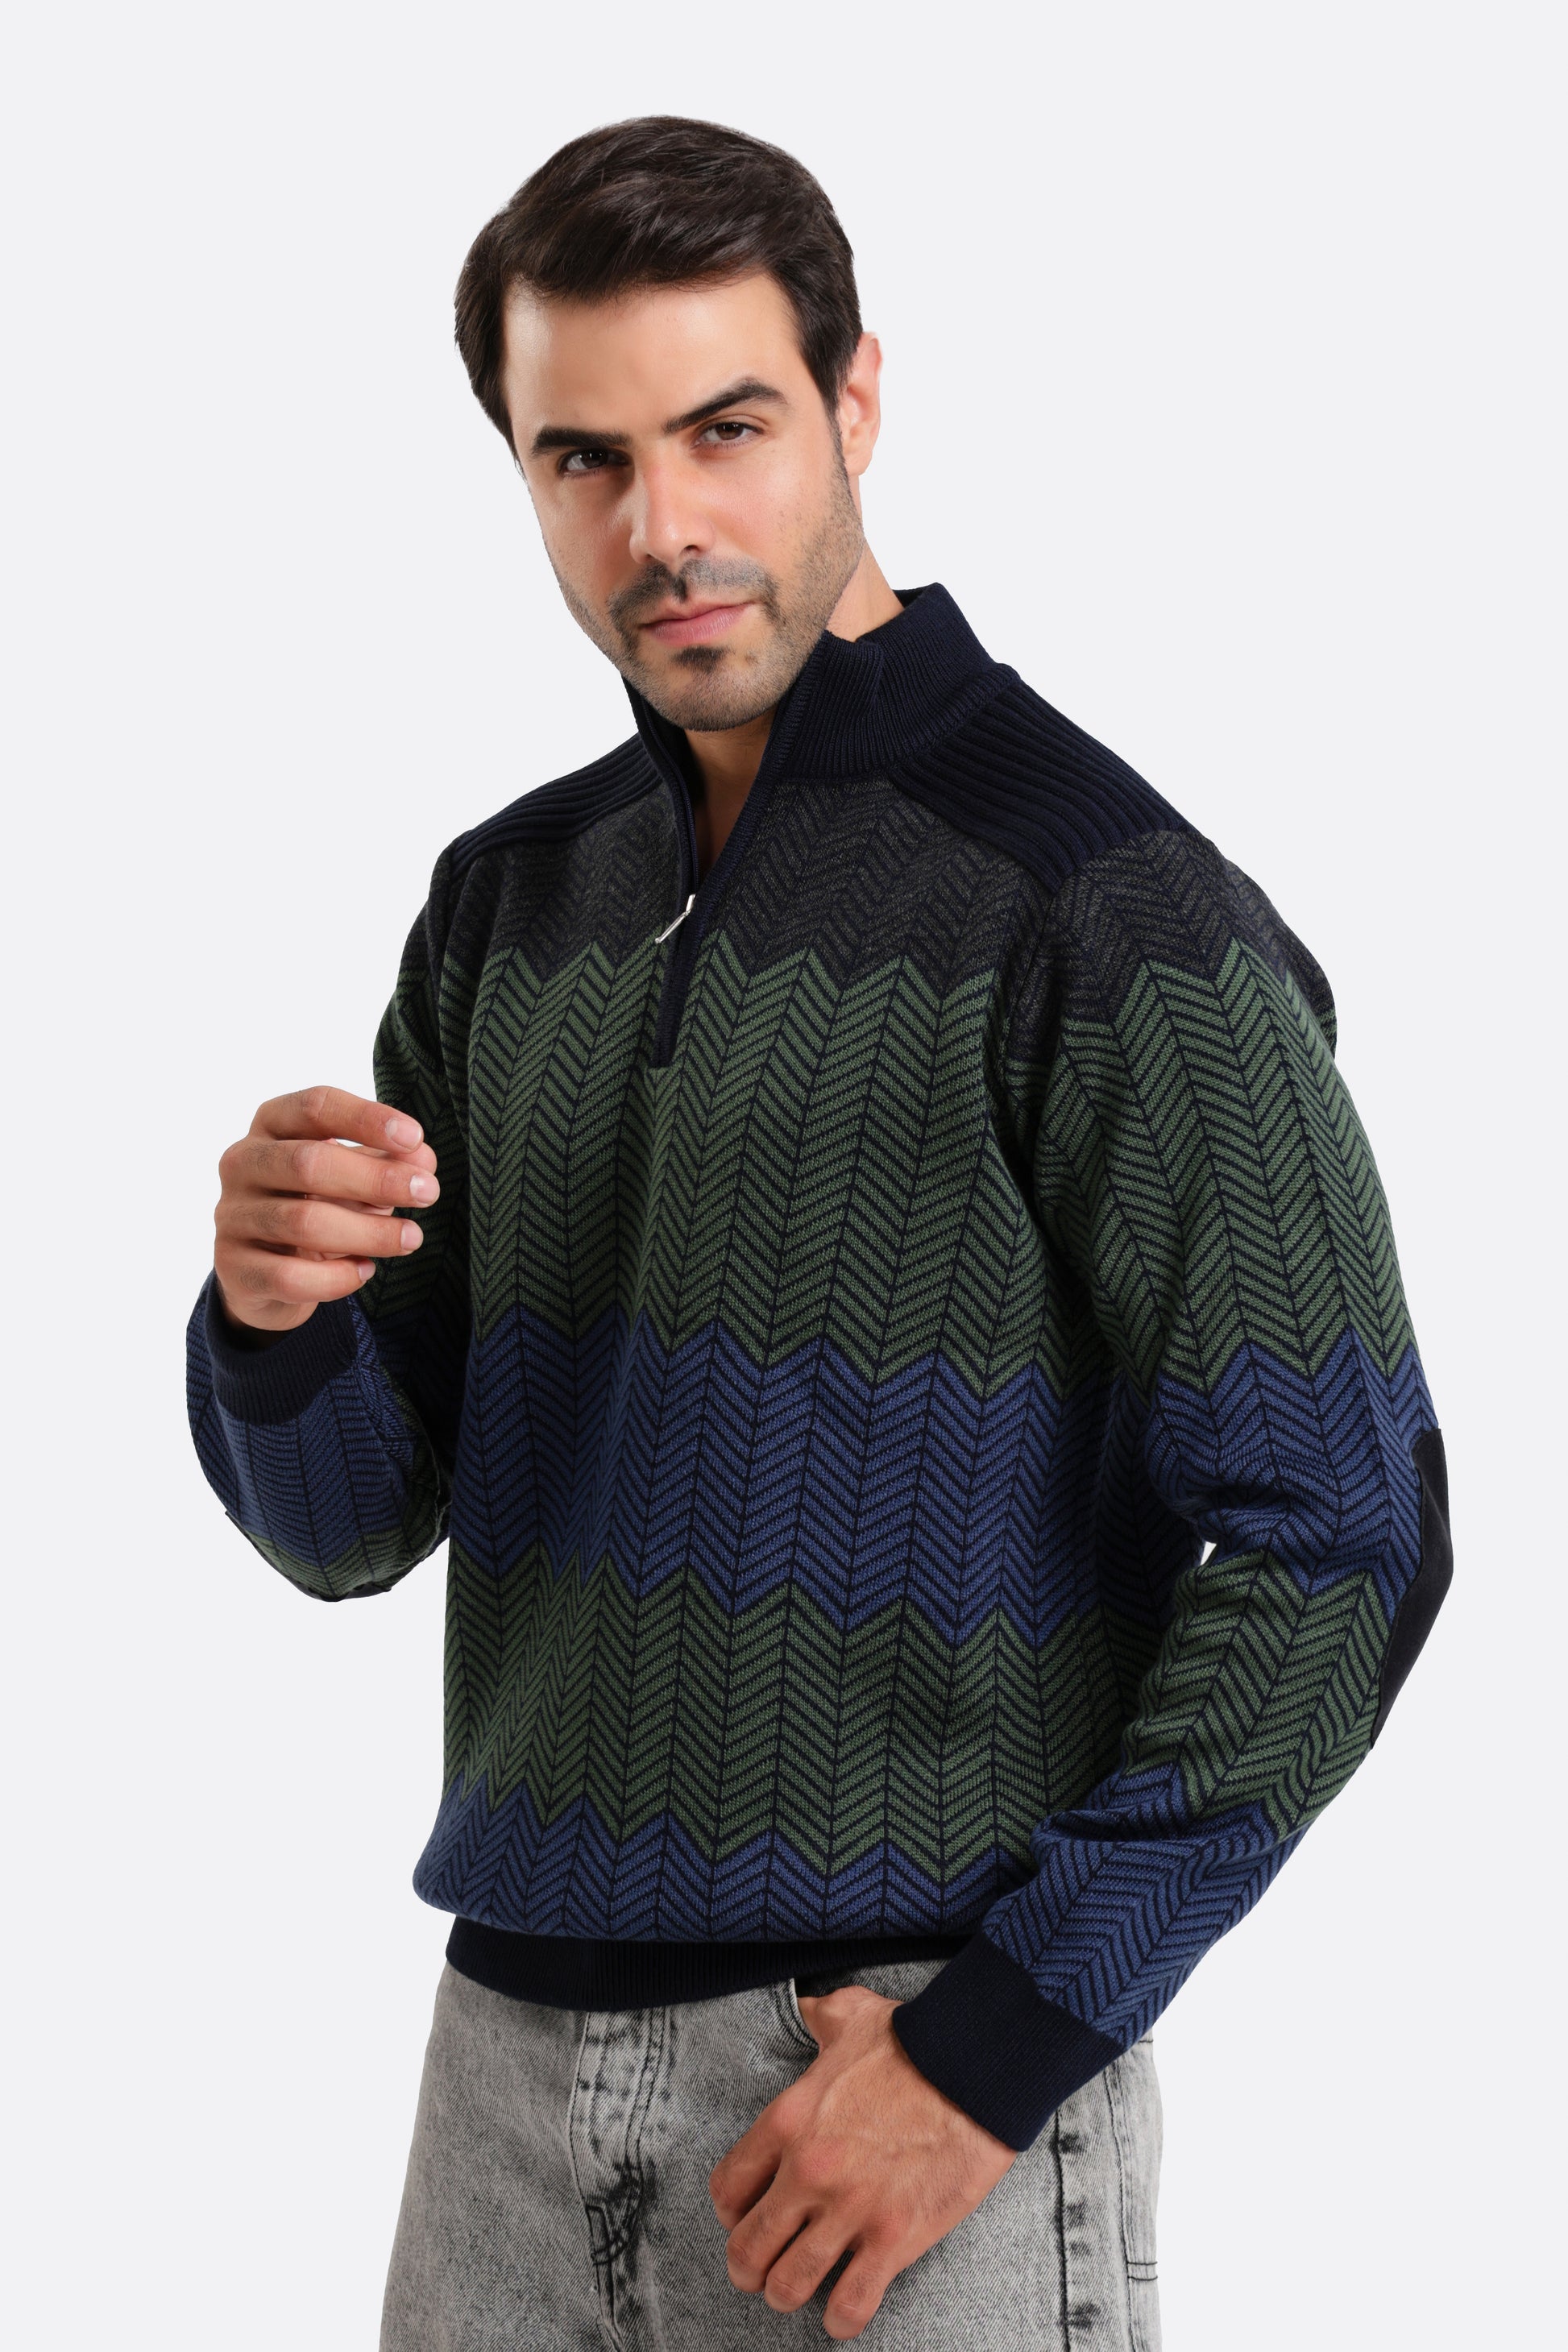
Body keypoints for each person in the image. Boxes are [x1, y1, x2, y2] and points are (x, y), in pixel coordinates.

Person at [186, 115, 1452, 2350]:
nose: (662, 528)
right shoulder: (507, 902)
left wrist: (993, 2051)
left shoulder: (1102, 903)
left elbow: (1347, 1535)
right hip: (499, 2078)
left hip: (894, 2089)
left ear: (856, 399)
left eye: (727, 428)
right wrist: (275, 1324)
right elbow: (351, 1527)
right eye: (583, 459)